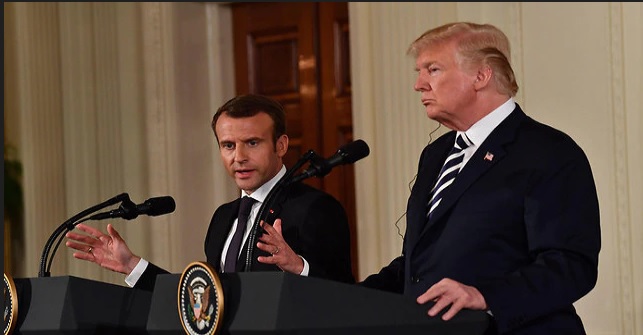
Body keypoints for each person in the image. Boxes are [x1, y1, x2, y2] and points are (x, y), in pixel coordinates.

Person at [358, 22, 601, 335]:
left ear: (481, 76)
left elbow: (570, 264)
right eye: (420, 71)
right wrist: (324, 286)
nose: (419, 84)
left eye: (432, 69)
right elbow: (417, 268)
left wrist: (486, 296)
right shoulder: (436, 155)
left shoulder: (549, 151)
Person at [65, 94, 355, 289]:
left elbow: (346, 297)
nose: (238, 157)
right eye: (228, 145)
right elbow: (203, 302)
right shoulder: (223, 218)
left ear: (280, 145)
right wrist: (133, 266)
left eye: (252, 143)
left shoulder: (316, 209)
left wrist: (299, 267)